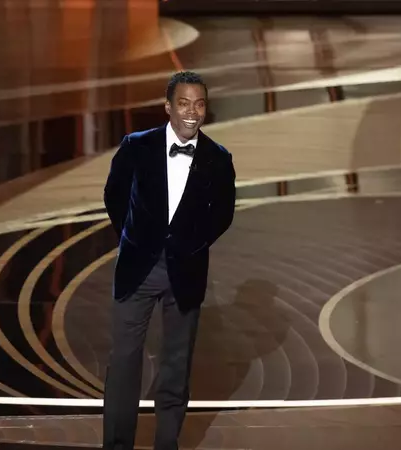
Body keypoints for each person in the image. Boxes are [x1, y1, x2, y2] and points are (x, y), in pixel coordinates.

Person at [101, 71, 236, 450]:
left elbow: (223, 215)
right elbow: (114, 195)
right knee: (124, 361)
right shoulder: (136, 146)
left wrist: (190, 245)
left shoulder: (218, 158)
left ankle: (167, 443)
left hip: (186, 270)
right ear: (168, 107)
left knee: (176, 364)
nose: (192, 112)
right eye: (184, 103)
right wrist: (135, 239)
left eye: (199, 104)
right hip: (138, 268)